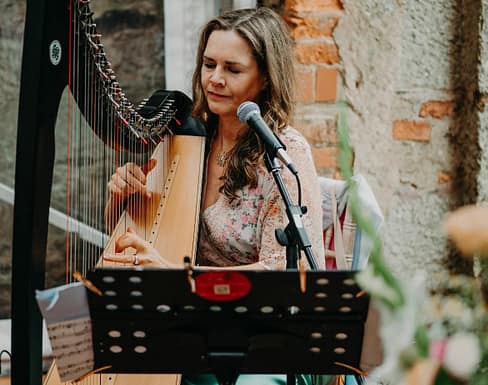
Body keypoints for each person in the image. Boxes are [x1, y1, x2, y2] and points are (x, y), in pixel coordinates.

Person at [103, 7, 328, 385]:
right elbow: (133, 244)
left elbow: (280, 275)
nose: (215, 79)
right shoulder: (189, 141)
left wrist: (183, 280)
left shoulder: (284, 154)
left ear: (266, 79)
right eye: (209, 65)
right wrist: (121, 198)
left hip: (268, 334)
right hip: (198, 324)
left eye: (232, 69)